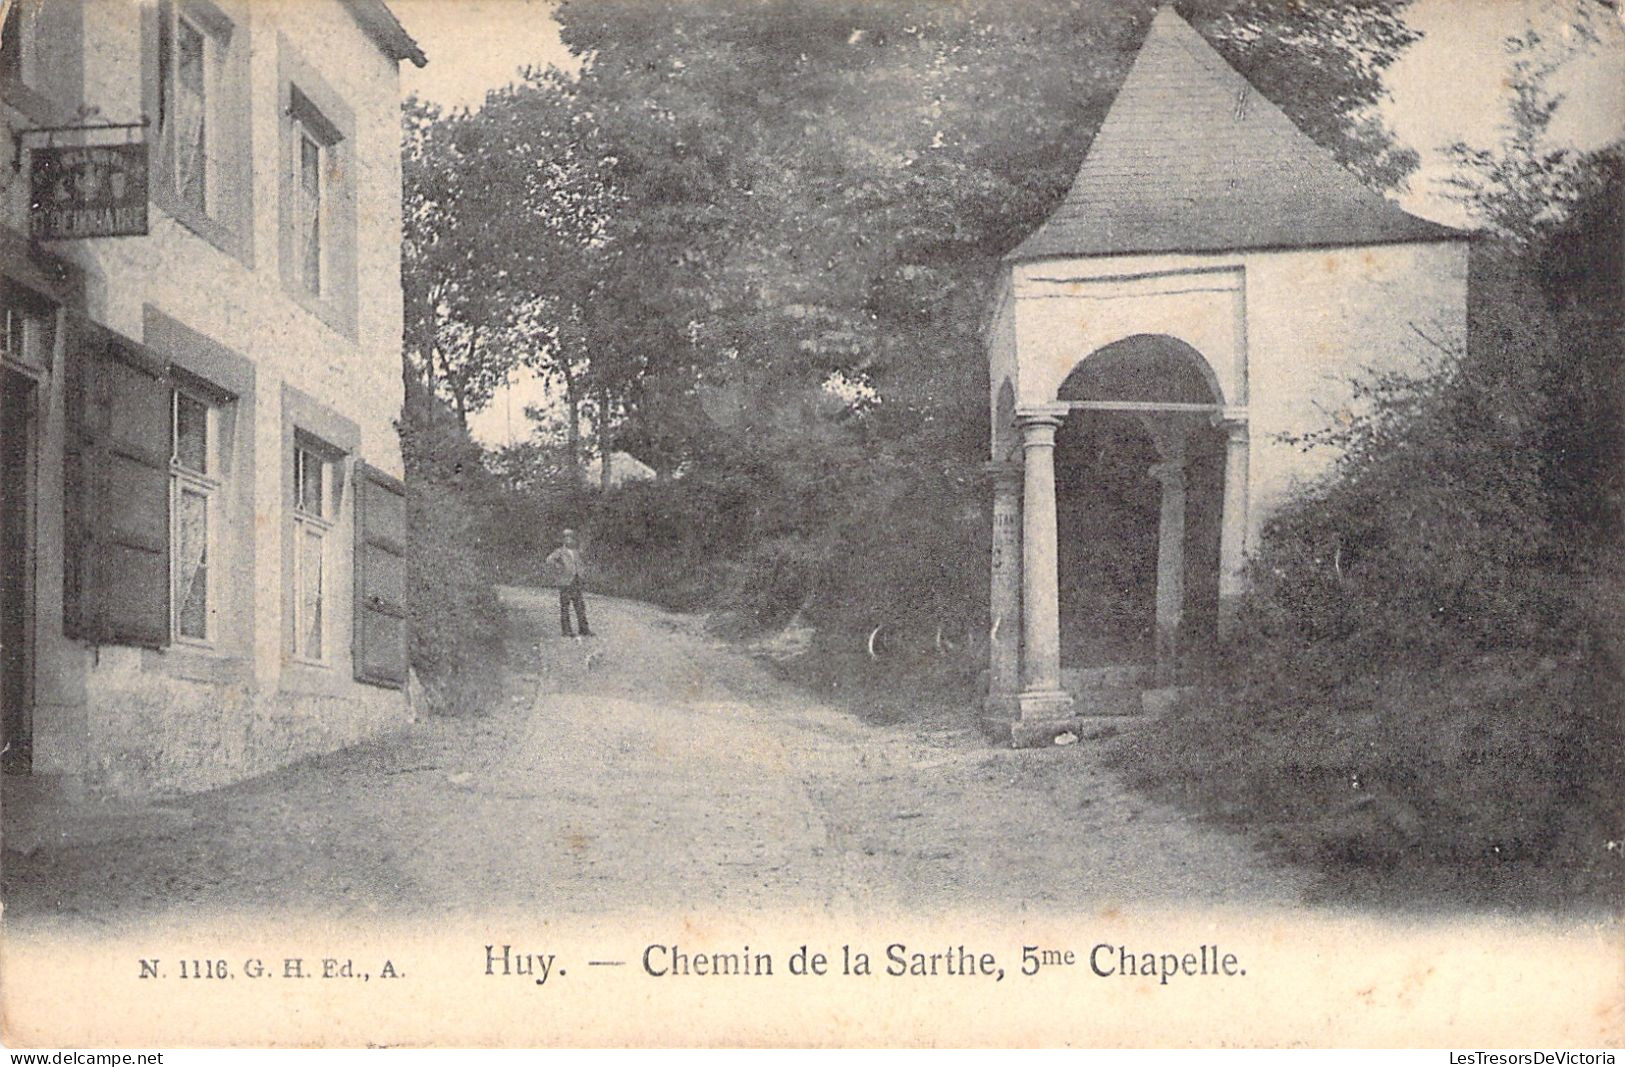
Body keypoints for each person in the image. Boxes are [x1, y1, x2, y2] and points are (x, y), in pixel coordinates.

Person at [545, 528, 592, 637]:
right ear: (563, 540)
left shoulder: (576, 552)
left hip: (576, 580)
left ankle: (583, 629)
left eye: (571, 537)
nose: (569, 540)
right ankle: (566, 631)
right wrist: (559, 568)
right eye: (566, 537)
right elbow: (549, 560)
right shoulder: (560, 551)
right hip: (565, 582)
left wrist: (582, 573)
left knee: (580, 605)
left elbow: (580, 564)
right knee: (565, 606)